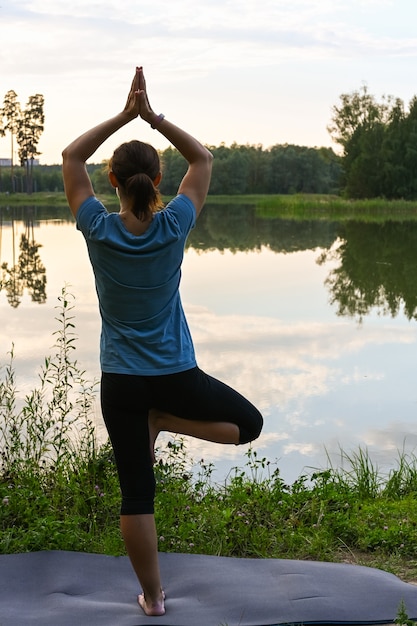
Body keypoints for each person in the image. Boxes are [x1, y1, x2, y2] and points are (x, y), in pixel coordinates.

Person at [62, 66, 263, 617]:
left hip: (121, 381)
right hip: (175, 374)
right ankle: (167, 419)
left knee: (137, 493)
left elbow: (70, 158)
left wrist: (125, 116)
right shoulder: (174, 224)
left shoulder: (97, 229)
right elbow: (203, 161)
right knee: (249, 425)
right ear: (158, 181)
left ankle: (153, 598)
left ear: (113, 184)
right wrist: (154, 117)